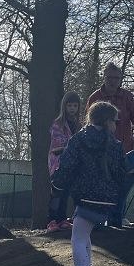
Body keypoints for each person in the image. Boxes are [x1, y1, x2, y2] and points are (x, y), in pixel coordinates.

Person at [51, 101, 128, 266]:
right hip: (106, 200)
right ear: (106, 120)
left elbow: (67, 165)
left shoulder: (79, 139)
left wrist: (57, 186)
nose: (116, 125)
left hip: (85, 196)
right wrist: (115, 197)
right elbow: (122, 173)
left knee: (77, 238)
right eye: (115, 121)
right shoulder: (116, 144)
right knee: (84, 235)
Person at [85, 63, 134, 154]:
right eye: (109, 77)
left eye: (116, 78)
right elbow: (88, 124)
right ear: (104, 77)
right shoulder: (95, 98)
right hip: (102, 150)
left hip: (125, 148)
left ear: (120, 79)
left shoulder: (127, 96)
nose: (113, 81)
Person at [45, 91, 81, 233]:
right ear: (64, 106)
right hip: (58, 163)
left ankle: (61, 219)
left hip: (71, 164)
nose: (72, 109)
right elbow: (57, 144)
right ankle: (51, 220)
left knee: (66, 192)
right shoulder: (58, 124)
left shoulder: (79, 125)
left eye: (75, 106)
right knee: (56, 193)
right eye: (69, 105)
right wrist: (72, 145)